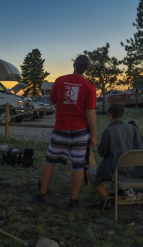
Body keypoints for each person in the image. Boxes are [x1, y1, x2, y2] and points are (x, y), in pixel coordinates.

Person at [32, 54, 97, 210]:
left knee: (50, 161)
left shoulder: (60, 81)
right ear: (87, 68)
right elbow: (91, 113)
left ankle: (42, 195)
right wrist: (93, 136)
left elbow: (52, 101)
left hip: (60, 130)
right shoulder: (89, 87)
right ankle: (73, 201)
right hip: (81, 132)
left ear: (74, 64)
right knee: (78, 166)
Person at [87, 103, 143, 207]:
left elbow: (102, 153)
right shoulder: (133, 129)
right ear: (121, 114)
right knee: (121, 162)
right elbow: (140, 148)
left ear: (110, 115)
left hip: (114, 170)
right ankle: (122, 190)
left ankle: (105, 200)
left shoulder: (108, 131)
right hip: (134, 169)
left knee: (91, 173)